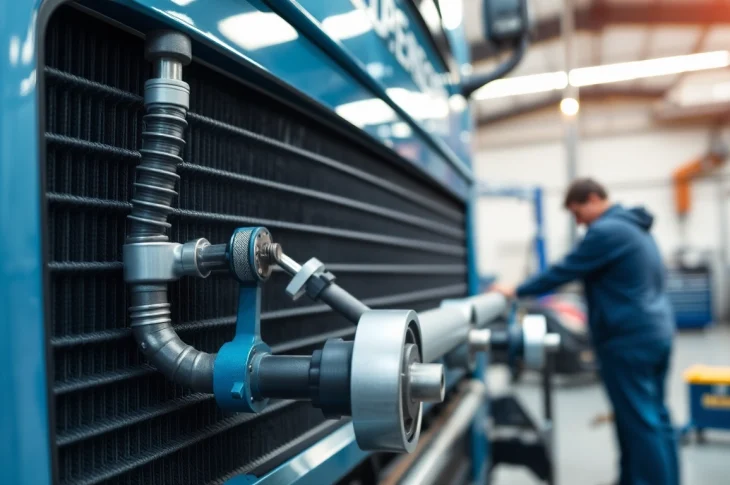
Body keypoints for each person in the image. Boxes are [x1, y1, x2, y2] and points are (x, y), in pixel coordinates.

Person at [491, 178, 678, 485]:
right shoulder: (638, 230)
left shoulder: (607, 231)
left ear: (593, 198)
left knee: (640, 422)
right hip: (657, 331)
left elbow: (565, 270)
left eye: (578, 213)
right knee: (655, 417)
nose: (578, 223)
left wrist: (516, 289)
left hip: (628, 340)